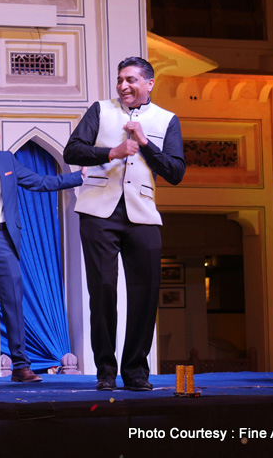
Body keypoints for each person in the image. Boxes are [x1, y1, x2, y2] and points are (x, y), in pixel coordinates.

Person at [64, 56, 185, 391]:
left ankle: (135, 371)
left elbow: (175, 172)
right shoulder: (100, 110)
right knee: (102, 290)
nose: (123, 86)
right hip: (98, 212)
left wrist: (145, 145)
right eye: (120, 80)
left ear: (149, 84)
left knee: (145, 294)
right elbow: (71, 150)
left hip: (142, 214)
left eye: (131, 79)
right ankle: (105, 369)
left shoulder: (166, 119)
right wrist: (111, 152)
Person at [0, 109, 83, 383]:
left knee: (13, 302)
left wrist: (80, 177)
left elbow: (40, 182)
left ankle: (20, 365)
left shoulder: (6, 159)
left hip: (3, 238)